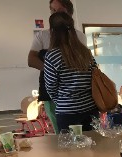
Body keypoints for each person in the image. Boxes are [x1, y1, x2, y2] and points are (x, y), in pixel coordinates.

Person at [43, 11, 97, 157]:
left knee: (72, 153)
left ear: (52, 31)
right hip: (90, 108)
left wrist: (62, 99)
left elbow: (50, 86)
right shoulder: (85, 52)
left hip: (67, 111)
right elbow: (95, 77)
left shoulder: (53, 55)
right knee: (92, 148)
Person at [28, 0, 85, 133]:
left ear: (69, 13)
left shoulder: (79, 36)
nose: (56, 14)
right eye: (53, 11)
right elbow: (31, 60)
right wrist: (52, 71)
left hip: (79, 93)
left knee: (83, 132)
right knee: (61, 132)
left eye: (61, 11)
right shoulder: (42, 36)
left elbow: (85, 64)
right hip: (53, 91)